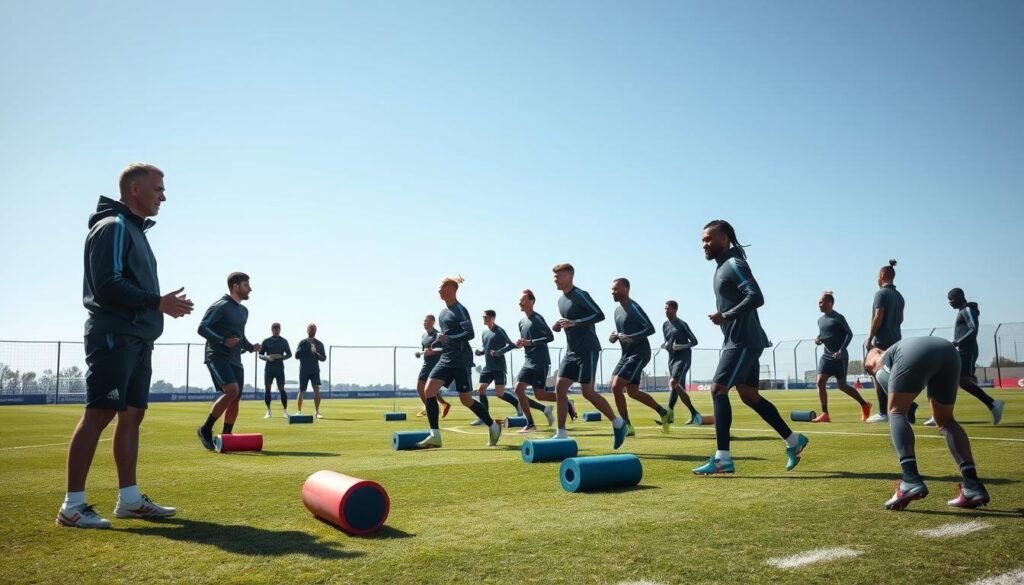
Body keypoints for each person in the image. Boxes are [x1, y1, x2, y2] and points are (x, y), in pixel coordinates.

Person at [57, 163, 193, 529]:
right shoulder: (114, 226)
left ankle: (129, 500)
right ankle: (73, 506)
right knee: (100, 412)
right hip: (113, 334)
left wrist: (156, 307)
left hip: (137, 338)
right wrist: (156, 302)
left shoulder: (134, 230)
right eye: (158, 189)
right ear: (134, 189)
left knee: (132, 415)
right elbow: (107, 284)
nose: (163, 196)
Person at [692, 220, 808, 475]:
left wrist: (727, 315)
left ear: (724, 238)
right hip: (741, 340)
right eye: (702, 240)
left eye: (709, 239)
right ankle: (793, 441)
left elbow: (756, 296)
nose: (704, 244)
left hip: (742, 341)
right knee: (749, 396)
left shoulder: (734, 263)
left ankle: (723, 458)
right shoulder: (722, 266)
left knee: (718, 389)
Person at [864, 337, 991, 510]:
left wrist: (878, 376)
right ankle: (972, 485)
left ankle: (910, 479)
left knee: (896, 411)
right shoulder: (893, 348)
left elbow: (874, 364)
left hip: (914, 353)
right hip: (949, 352)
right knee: (946, 420)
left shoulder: (875, 358)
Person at [416, 276, 502, 448]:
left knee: (466, 399)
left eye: (441, 287)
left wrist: (449, 338)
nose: (438, 290)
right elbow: (446, 336)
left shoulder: (460, 310)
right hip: (446, 359)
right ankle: (435, 435)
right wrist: (436, 343)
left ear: (452, 289)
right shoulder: (442, 313)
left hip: (461, 360)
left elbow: (469, 333)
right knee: (429, 390)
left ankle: (493, 426)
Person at [551, 264, 626, 448]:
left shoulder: (580, 295)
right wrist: (560, 325)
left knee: (588, 392)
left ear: (569, 276)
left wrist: (574, 322)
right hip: (571, 351)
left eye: (558, 276)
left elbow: (599, 315)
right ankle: (561, 432)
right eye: (554, 276)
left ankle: (618, 423)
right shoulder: (561, 301)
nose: (555, 279)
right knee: (560, 389)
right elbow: (570, 322)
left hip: (588, 350)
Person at [922, 289, 1005, 426]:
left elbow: (973, 329)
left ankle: (992, 404)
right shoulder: (963, 311)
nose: (950, 303)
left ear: (960, 297)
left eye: (952, 299)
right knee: (950, 381)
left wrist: (957, 342)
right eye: (948, 300)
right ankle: (939, 414)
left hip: (968, 351)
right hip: (962, 351)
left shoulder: (966, 310)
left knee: (960, 381)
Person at [196, 273, 260, 450]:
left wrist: (250, 346)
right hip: (216, 355)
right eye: (246, 285)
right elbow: (202, 327)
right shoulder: (221, 305)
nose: (250, 289)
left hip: (235, 359)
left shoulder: (243, 311)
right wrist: (222, 340)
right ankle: (205, 429)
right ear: (235, 286)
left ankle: (226, 436)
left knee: (236, 397)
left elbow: (240, 336)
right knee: (232, 390)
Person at [607, 278, 671, 435]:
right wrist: (614, 337)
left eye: (616, 289)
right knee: (632, 392)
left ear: (626, 289)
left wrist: (631, 336)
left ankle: (627, 426)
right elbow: (623, 333)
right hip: (626, 354)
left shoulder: (633, 307)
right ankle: (664, 412)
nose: (612, 292)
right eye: (611, 289)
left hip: (640, 353)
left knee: (616, 386)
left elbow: (650, 329)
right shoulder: (617, 311)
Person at [473, 310, 548, 426]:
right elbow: (486, 347)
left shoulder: (499, 331)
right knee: (481, 389)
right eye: (483, 317)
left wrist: (499, 352)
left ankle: (518, 404)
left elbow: (511, 344)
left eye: (485, 317)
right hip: (487, 367)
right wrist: (480, 352)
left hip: (498, 367)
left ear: (492, 318)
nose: (483, 318)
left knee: (500, 393)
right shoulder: (484, 332)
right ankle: (483, 417)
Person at [865, 260, 917, 424]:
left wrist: (870, 336)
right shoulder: (899, 296)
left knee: (876, 372)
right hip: (896, 339)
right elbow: (901, 319)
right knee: (892, 375)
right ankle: (906, 405)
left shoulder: (880, 294)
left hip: (882, 340)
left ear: (881, 276)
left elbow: (878, 315)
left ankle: (884, 412)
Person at [812, 291, 871, 422]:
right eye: (818, 303)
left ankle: (864, 404)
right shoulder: (820, 320)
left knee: (842, 386)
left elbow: (849, 334)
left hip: (840, 357)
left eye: (821, 302)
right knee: (820, 382)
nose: (819, 305)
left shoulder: (839, 317)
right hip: (826, 356)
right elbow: (824, 334)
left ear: (830, 303)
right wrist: (818, 339)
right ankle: (825, 414)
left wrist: (840, 350)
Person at [512, 289, 562, 433]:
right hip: (528, 362)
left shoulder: (538, 318)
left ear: (531, 301)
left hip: (540, 361)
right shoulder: (521, 322)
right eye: (520, 300)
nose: (520, 302)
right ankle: (530, 424)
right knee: (518, 389)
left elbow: (549, 337)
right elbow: (526, 342)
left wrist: (530, 342)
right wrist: (521, 343)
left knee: (540, 395)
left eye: (523, 300)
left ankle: (564, 400)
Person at [660, 300, 701, 425]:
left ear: (674, 309)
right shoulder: (664, 325)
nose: (666, 311)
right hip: (671, 360)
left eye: (668, 308)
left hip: (683, 359)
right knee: (677, 387)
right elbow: (667, 342)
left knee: (673, 383)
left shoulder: (682, 324)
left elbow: (694, 341)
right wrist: (665, 346)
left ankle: (670, 414)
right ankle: (694, 414)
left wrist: (682, 346)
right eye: (665, 308)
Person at [414, 315, 451, 418]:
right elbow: (424, 350)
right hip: (426, 364)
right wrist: (419, 354)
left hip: (435, 364)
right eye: (424, 321)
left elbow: (442, 349)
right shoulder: (424, 336)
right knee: (430, 388)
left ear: (433, 322)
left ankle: (428, 408)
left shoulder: (437, 335)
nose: (425, 323)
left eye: (427, 321)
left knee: (420, 386)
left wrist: (431, 353)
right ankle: (442, 404)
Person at [259, 322, 292, 418]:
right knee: (267, 388)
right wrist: (267, 357)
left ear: (280, 330)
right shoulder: (266, 341)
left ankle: (285, 411)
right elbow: (260, 354)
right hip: (269, 368)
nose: (276, 330)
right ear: (271, 330)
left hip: (279, 367)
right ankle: (268, 411)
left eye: (277, 329)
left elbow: (289, 354)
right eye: (274, 329)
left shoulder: (283, 341)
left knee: (282, 388)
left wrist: (280, 357)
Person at [294, 323, 326, 418]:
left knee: (316, 389)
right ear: (307, 330)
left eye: (314, 329)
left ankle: (317, 412)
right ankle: (299, 411)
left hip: (314, 370)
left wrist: (315, 352)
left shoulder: (319, 344)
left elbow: (323, 358)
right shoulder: (302, 342)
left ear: (316, 331)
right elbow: (296, 355)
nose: (312, 331)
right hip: (304, 369)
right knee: (302, 390)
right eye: (310, 329)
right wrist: (307, 349)